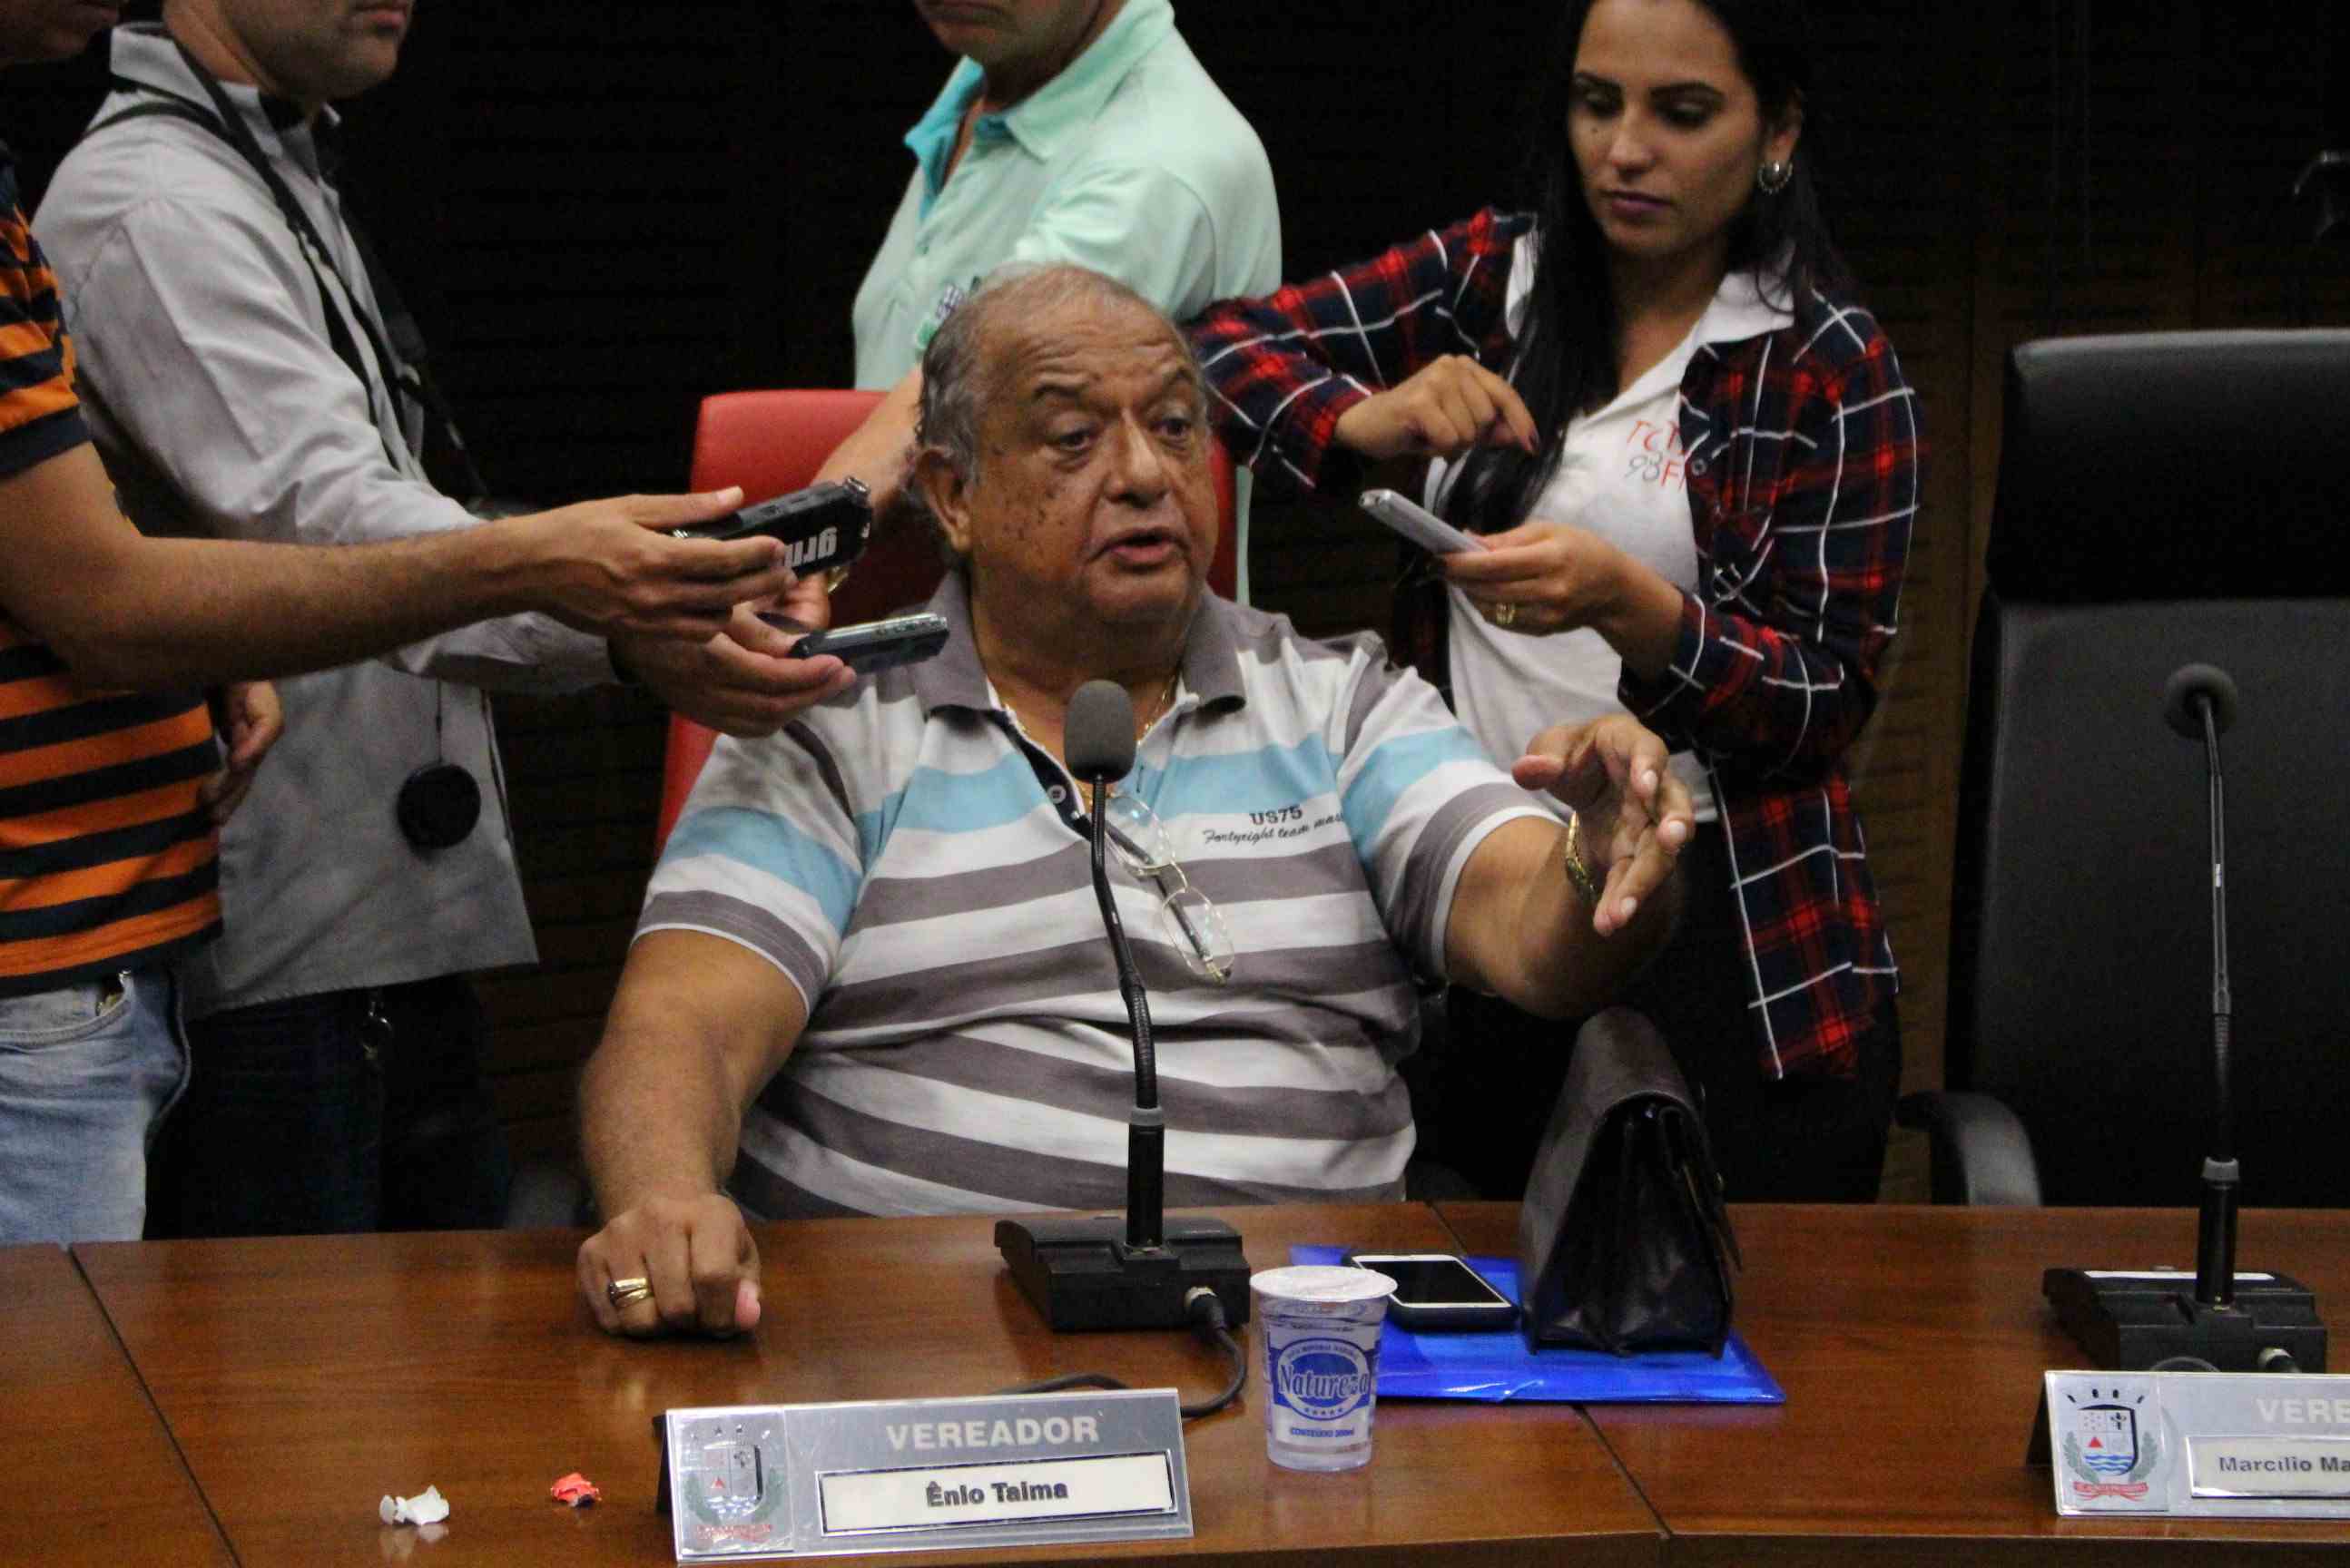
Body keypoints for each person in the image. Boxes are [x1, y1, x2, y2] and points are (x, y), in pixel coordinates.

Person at [570, 265, 1693, 1338]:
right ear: (954, 496)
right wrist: (665, 1203)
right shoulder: (832, 723)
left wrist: (1602, 853)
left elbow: (1538, 936)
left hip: (1304, 1358)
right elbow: (682, 1028)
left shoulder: (1338, 703)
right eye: (1074, 437)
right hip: (919, 1351)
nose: (1147, 474)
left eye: (1173, 426)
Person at [32, 0, 851, 1239]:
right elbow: (334, 528)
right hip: (274, 955)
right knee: (300, 1363)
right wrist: (620, 610)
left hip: (362, 930)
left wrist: (639, 601)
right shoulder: (158, 198)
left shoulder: (267, 156)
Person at [1190, 0, 1918, 1201]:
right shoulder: (1498, 278)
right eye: (1596, 104)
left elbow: (1823, 704)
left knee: (1740, 1312)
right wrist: (1359, 420)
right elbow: (1210, 351)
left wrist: (1630, 606)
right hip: (1490, 896)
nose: (1625, 151)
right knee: (1477, 1299)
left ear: (1777, 131)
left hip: (1726, 926)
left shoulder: (1827, 366)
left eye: (1682, 113)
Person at [817, 0, 1279, 582]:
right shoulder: (998, 61)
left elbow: (934, 408)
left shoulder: (1160, 165)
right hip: (922, 621)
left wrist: (778, 562)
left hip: (1073, 637)